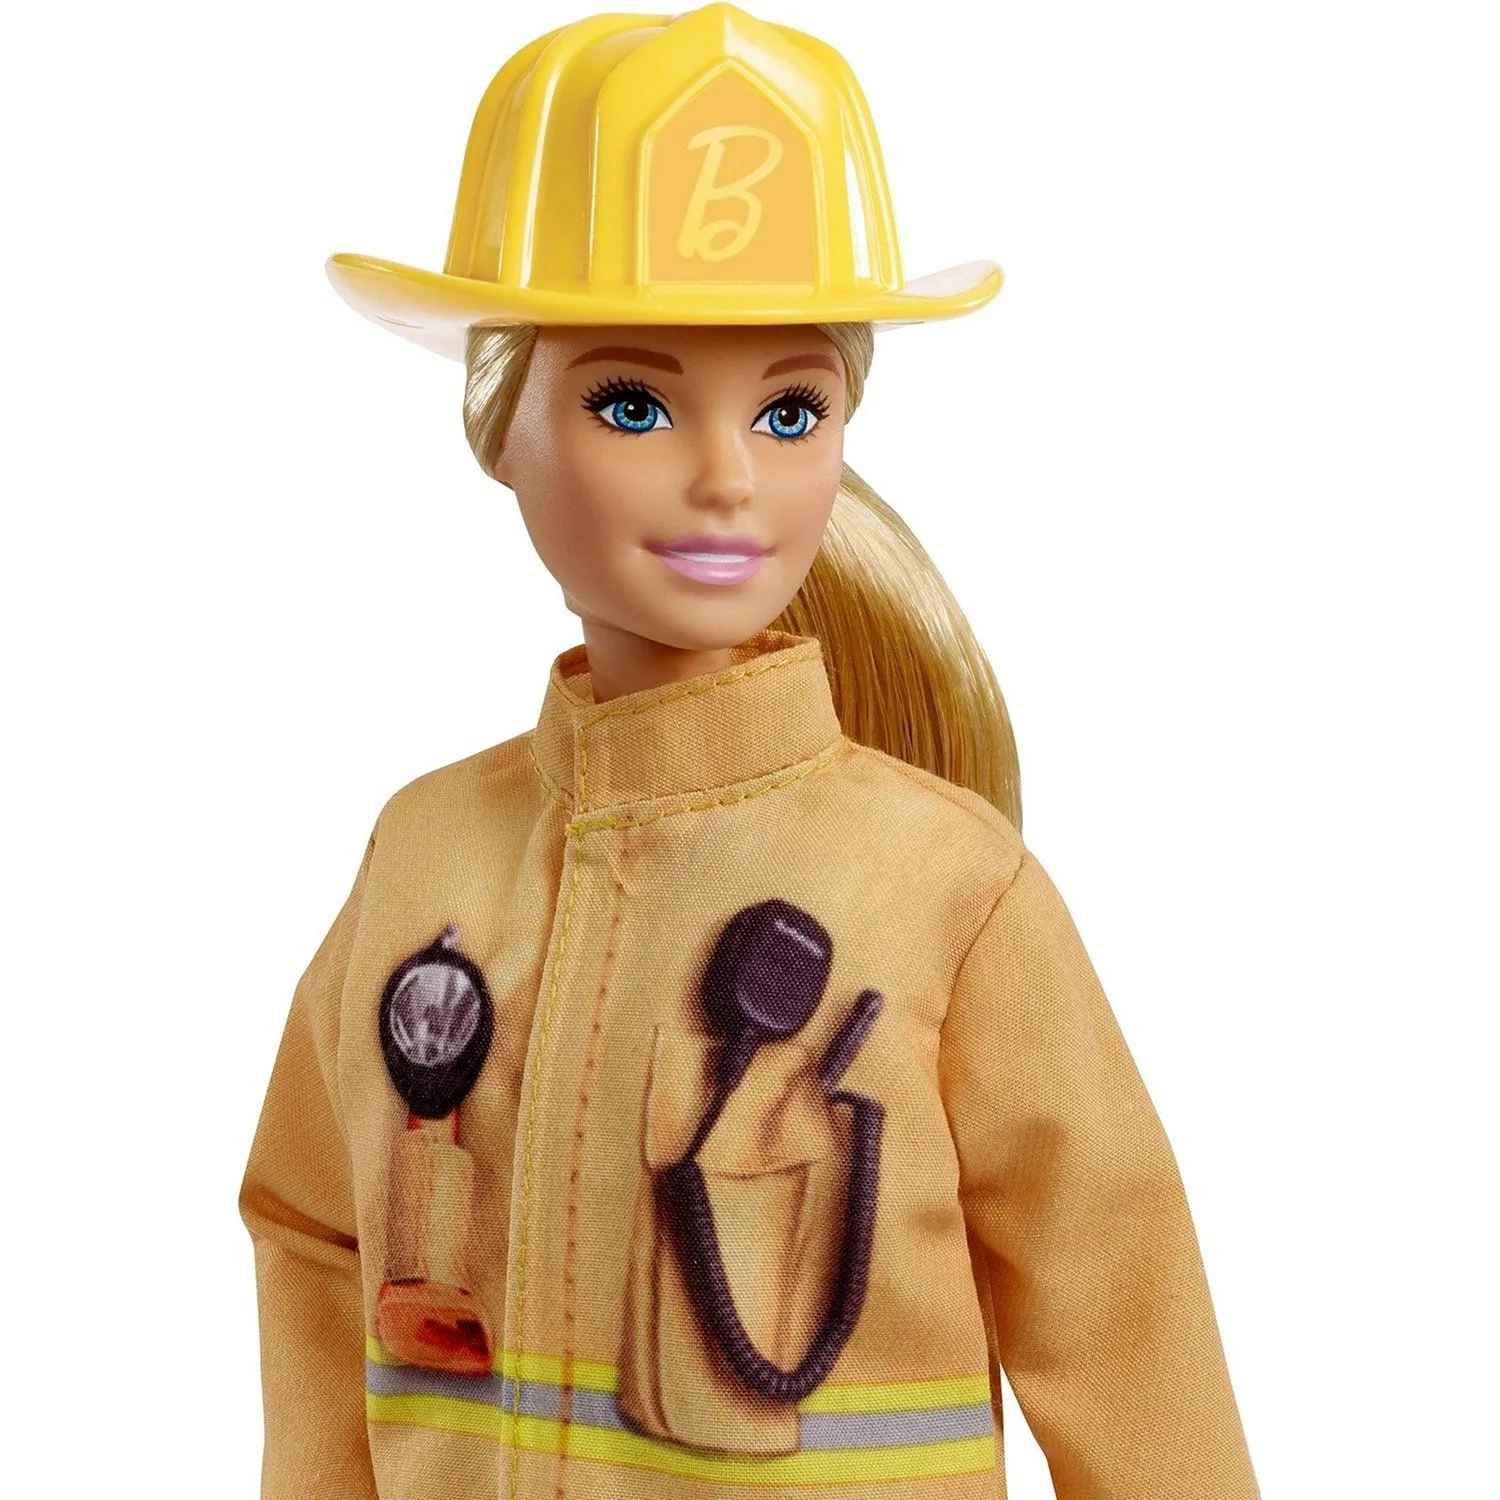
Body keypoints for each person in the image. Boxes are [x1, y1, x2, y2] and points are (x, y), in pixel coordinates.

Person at [239, 6, 1260, 1498]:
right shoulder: (427, 852)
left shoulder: (947, 889)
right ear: (498, 426)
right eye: (633, 404)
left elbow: (1118, 1303)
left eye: (790, 410)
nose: (727, 478)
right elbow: (312, 1226)